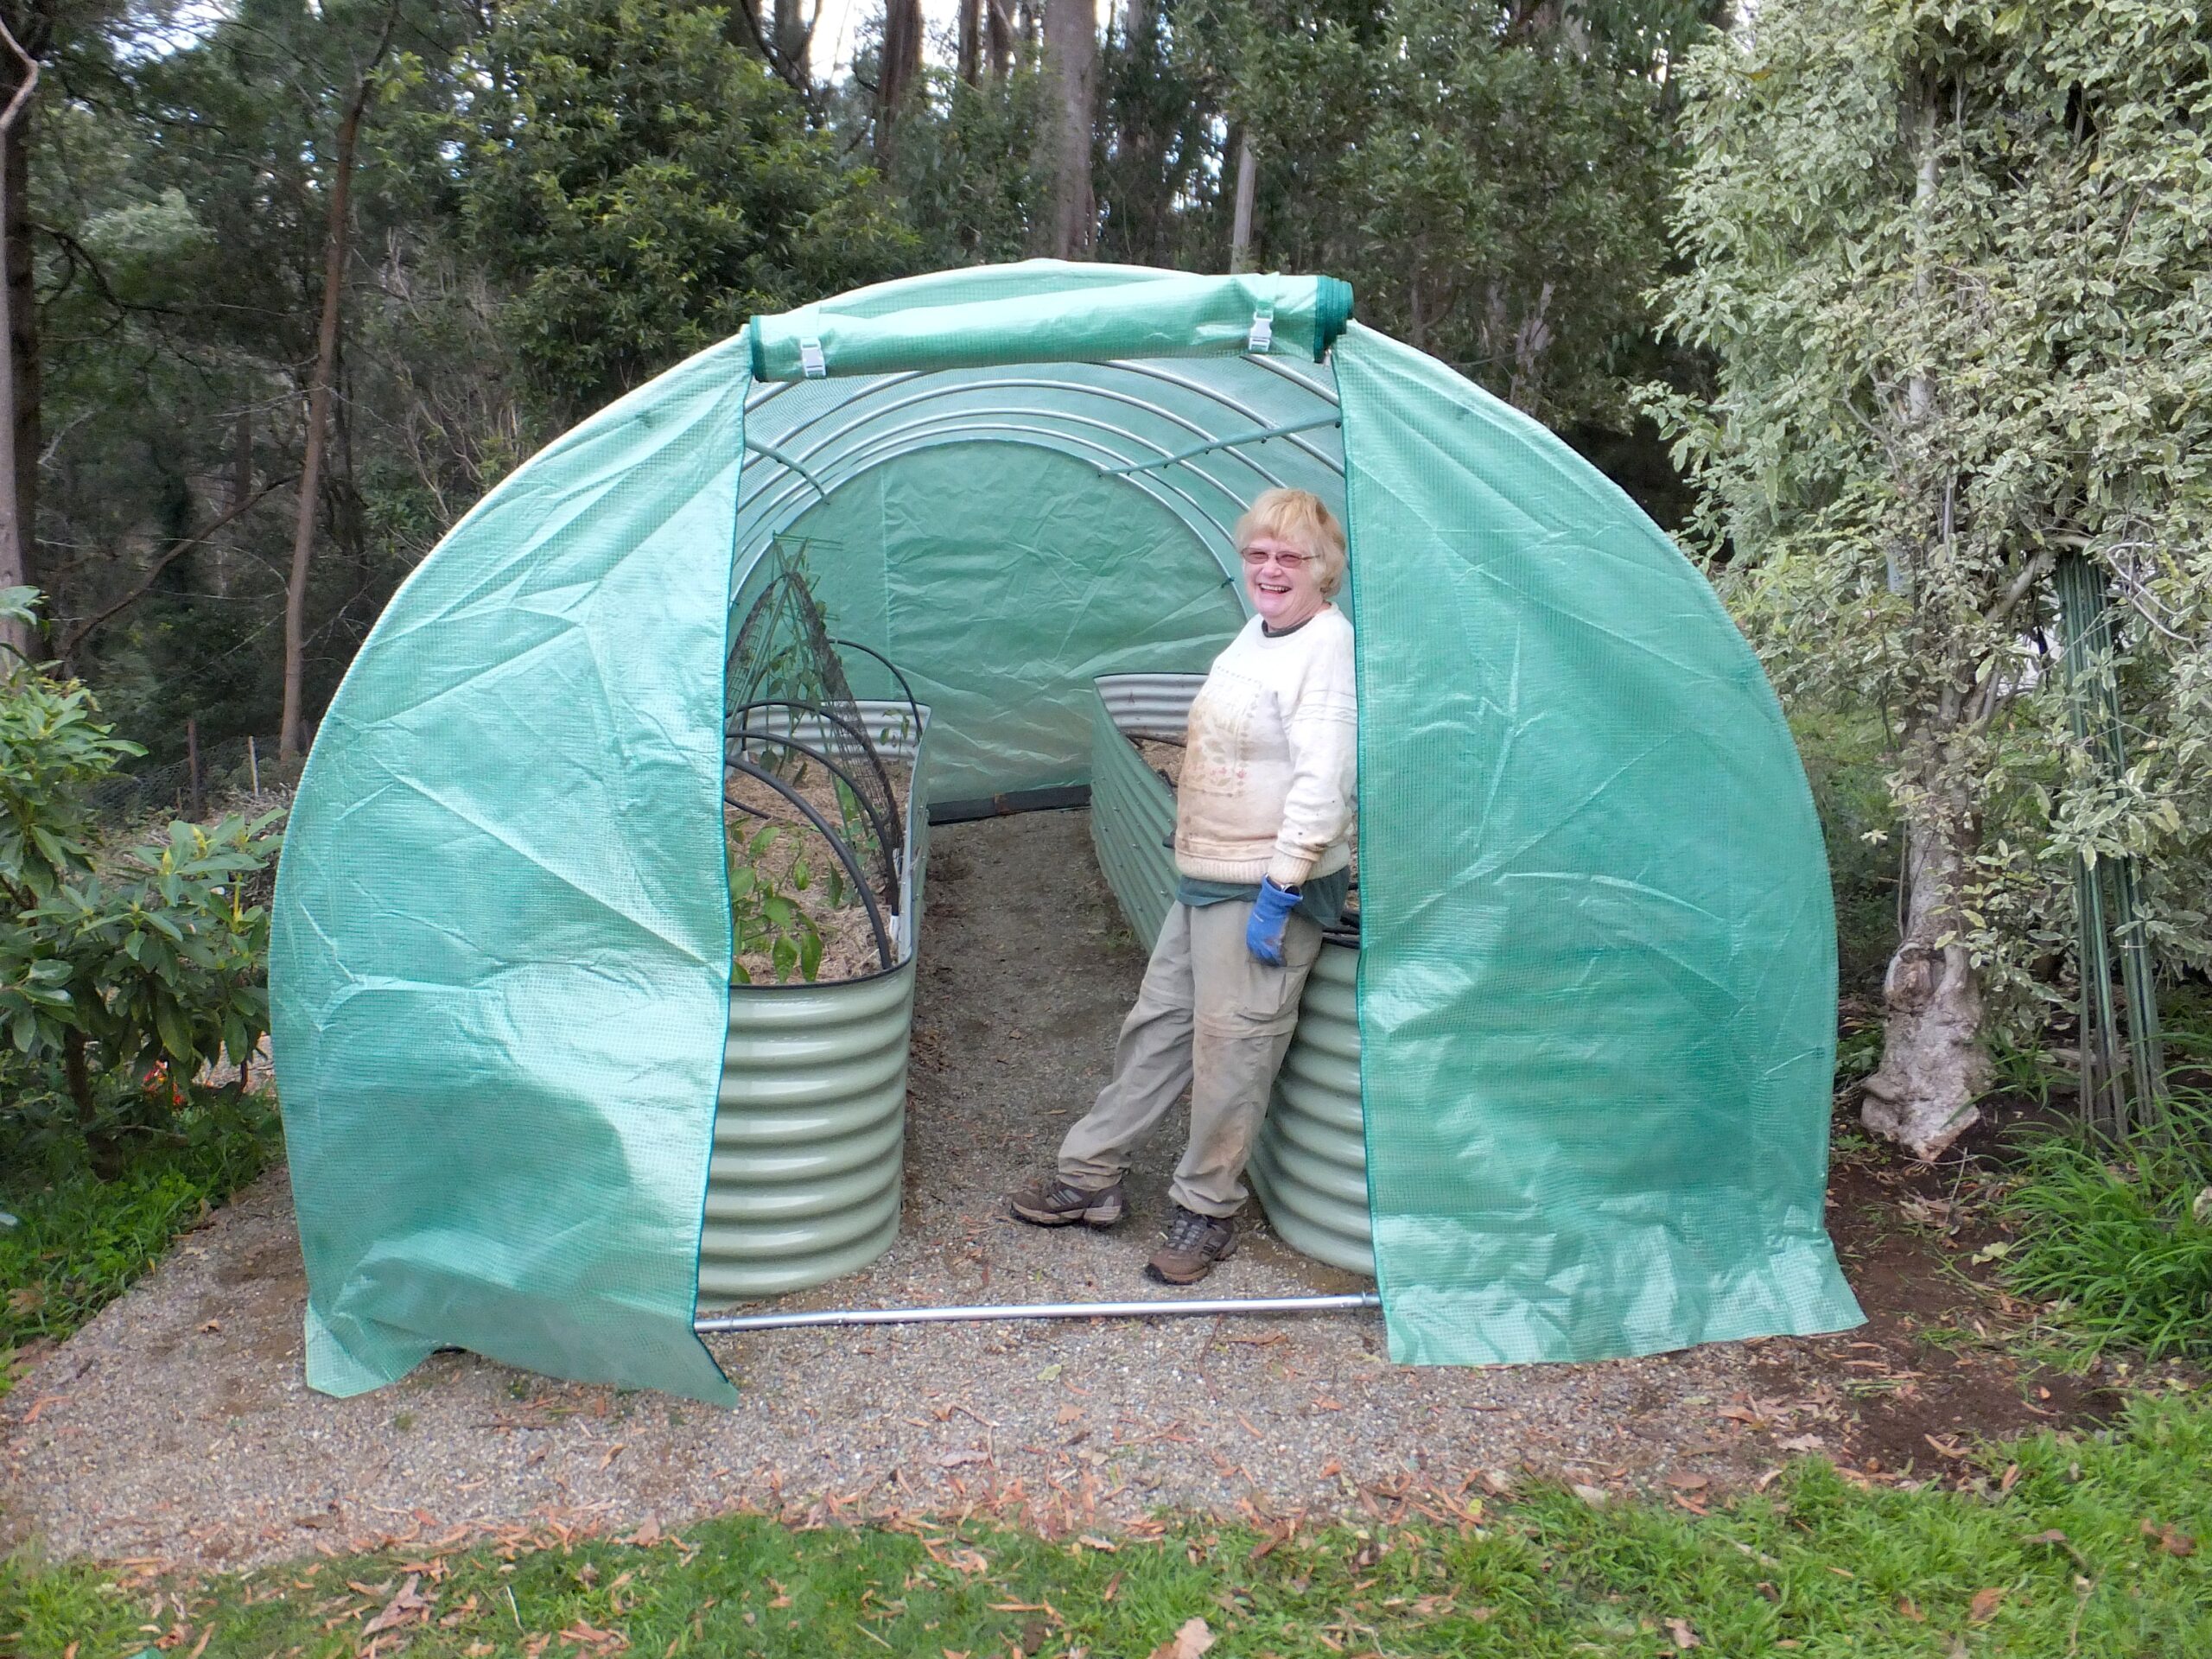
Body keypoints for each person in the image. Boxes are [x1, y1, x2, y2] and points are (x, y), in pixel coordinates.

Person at [1007, 488, 1357, 1285]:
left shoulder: (1324, 649)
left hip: (1263, 887)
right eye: (1258, 553)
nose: (1269, 569)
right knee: (1160, 1023)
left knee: (1233, 1048)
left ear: (1323, 570)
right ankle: (1089, 1178)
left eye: (1290, 557)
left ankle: (1206, 1210)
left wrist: (1282, 885)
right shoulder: (1260, 633)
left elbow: (1322, 781)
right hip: (1209, 875)